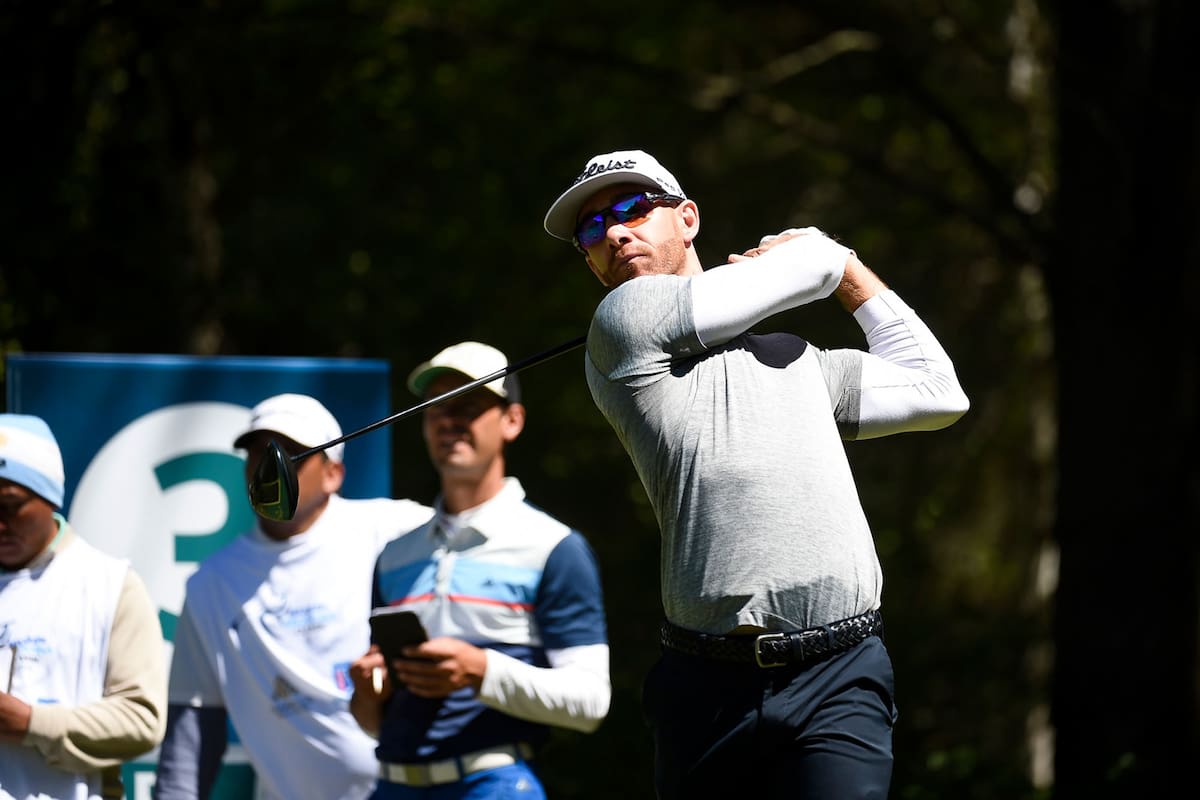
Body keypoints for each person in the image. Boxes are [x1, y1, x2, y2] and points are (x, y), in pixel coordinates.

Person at [542, 149, 971, 798]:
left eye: (632, 208)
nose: (614, 231)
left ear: (687, 219)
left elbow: (938, 391)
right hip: (706, 685)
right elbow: (814, 261)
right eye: (591, 230)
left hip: (840, 671)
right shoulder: (622, 324)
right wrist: (817, 254)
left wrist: (853, 273)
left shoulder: (794, 359)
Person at [348, 341, 610, 799]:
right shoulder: (393, 555)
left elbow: (590, 702)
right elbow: (376, 724)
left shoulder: (554, 547)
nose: (448, 420)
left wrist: (480, 669)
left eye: (469, 406)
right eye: (435, 409)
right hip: (390, 786)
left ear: (512, 421)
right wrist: (366, 697)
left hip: (493, 785)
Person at [154, 393, 434, 800]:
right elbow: (192, 730)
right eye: (259, 454)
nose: (271, 467)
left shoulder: (396, 528)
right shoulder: (209, 584)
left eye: (293, 455)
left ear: (333, 474)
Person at [0, 413, 167, 800]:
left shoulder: (109, 584)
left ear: (49, 496)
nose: (0, 524)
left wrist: (32, 723)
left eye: (10, 506)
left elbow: (142, 720)